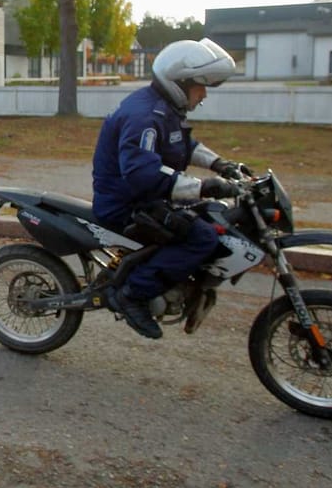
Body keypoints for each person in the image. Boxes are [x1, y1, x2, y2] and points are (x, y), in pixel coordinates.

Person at [91, 38, 244, 340]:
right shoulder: (144, 116)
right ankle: (133, 294)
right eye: (200, 87)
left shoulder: (162, 109)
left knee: (212, 220)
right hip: (124, 205)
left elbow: (184, 145)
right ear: (180, 82)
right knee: (201, 237)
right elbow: (142, 174)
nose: (203, 96)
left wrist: (221, 165)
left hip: (145, 198)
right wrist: (207, 187)